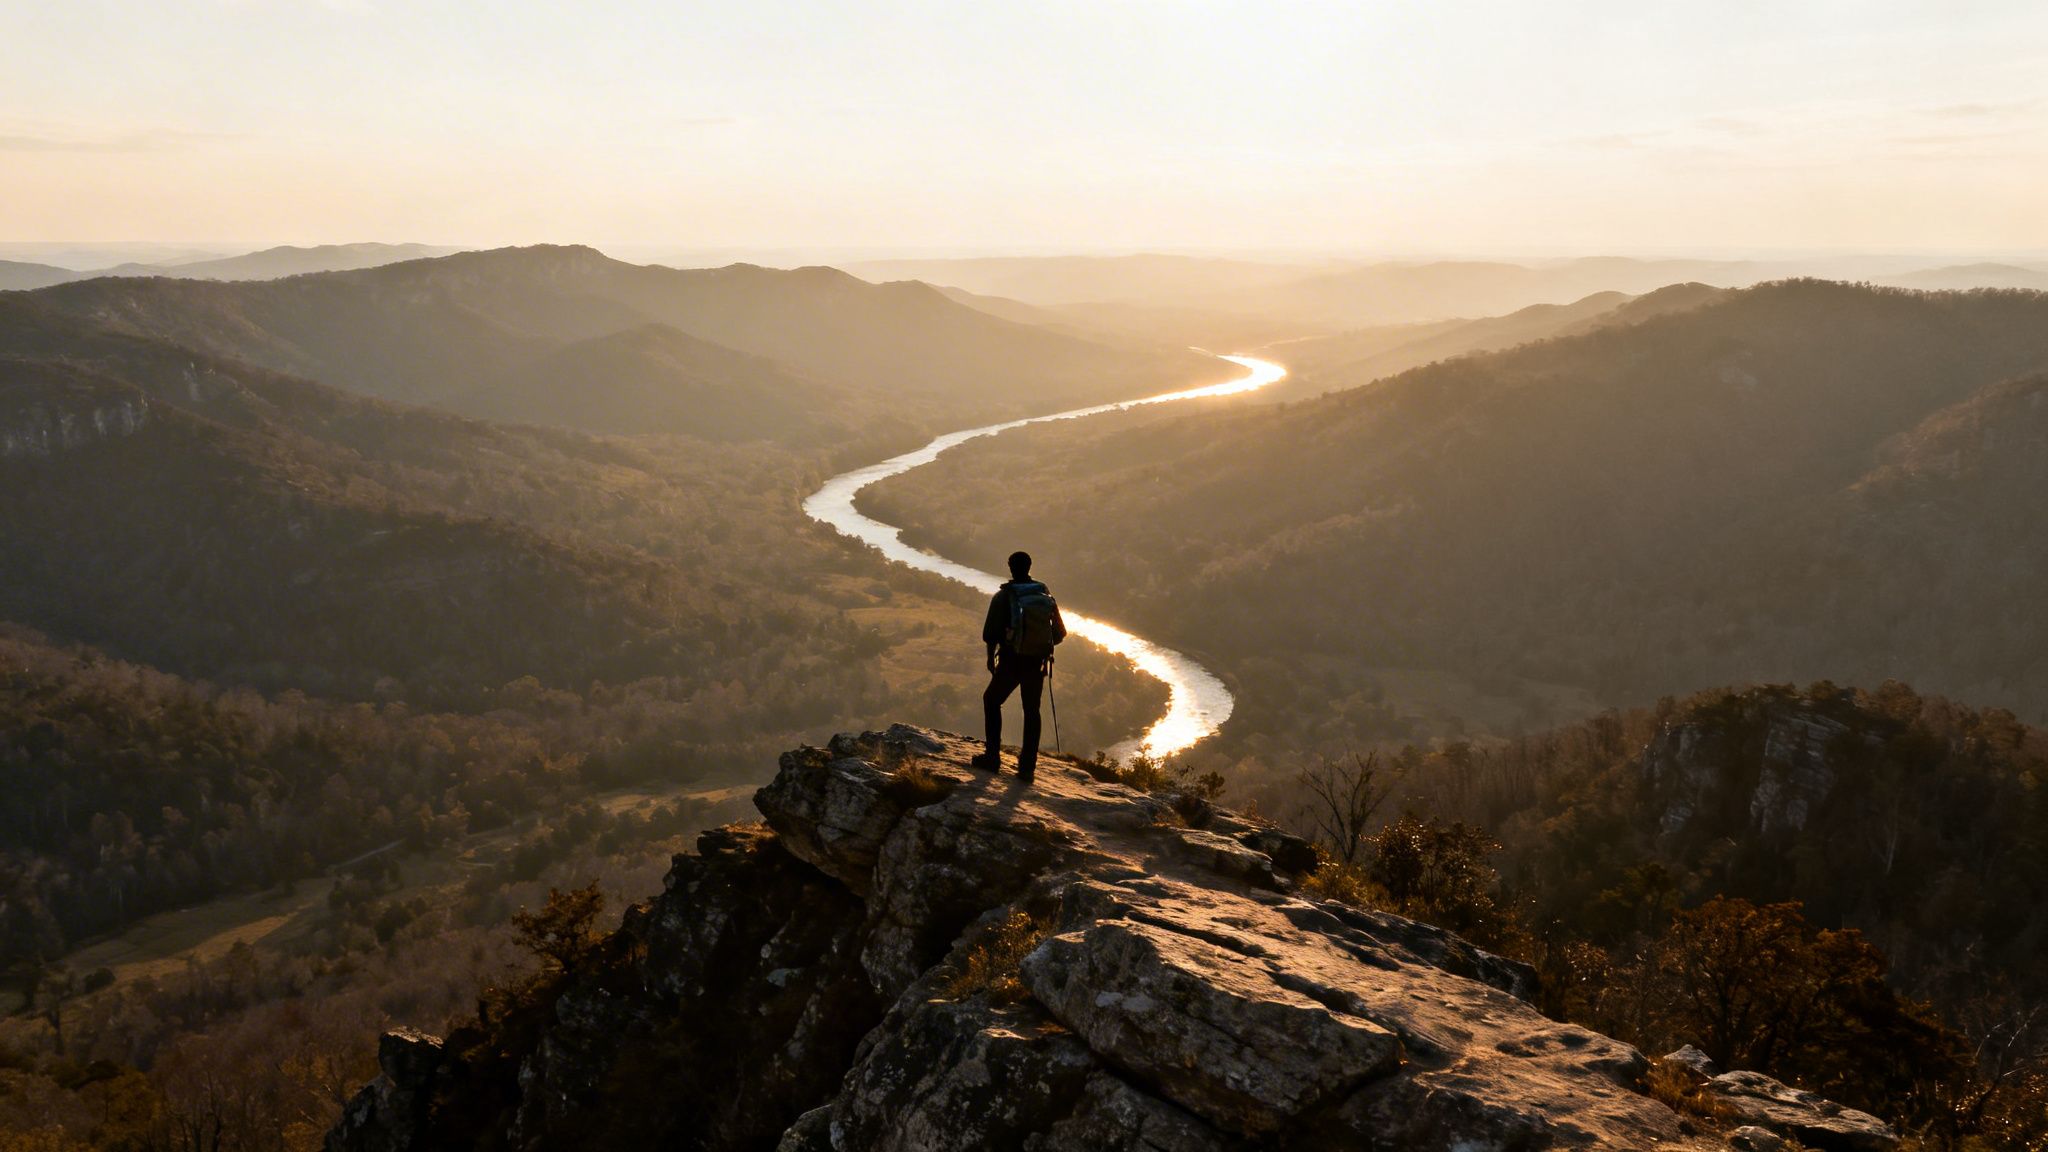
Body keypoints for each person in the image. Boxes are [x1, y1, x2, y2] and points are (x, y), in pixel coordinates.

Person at [975, 550, 1060, 782]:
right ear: (1030, 566)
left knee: (992, 701)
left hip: (1011, 661)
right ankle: (1027, 768)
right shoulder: (1044, 593)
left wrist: (990, 658)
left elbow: (990, 634)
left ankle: (992, 757)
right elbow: (1060, 634)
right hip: (1036, 663)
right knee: (1032, 711)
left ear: (1010, 567)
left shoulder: (1004, 597)